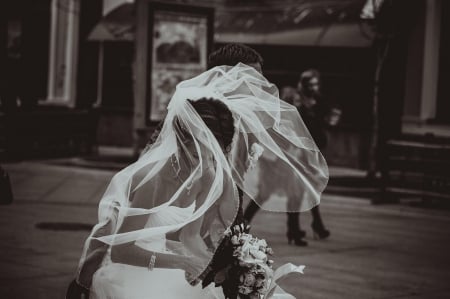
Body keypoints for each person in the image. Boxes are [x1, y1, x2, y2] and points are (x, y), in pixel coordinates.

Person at [67, 63, 328, 299]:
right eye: (201, 149)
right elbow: (121, 251)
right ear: (182, 140)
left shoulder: (207, 175)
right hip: (138, 270)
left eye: (214, 152)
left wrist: (232, 263)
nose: (206, 159)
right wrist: (180, 262)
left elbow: (190, 235)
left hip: (176, 266)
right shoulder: (154, 180)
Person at [244, 70, 340, 246]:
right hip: (280, 160)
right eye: (293, 102)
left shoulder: (311, 106)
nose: (297, 103)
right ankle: (244, 223)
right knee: (267, 193)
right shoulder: (282, 116)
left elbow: (316, 127)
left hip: (296, 158)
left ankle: (295, 230)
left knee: (297, 193)